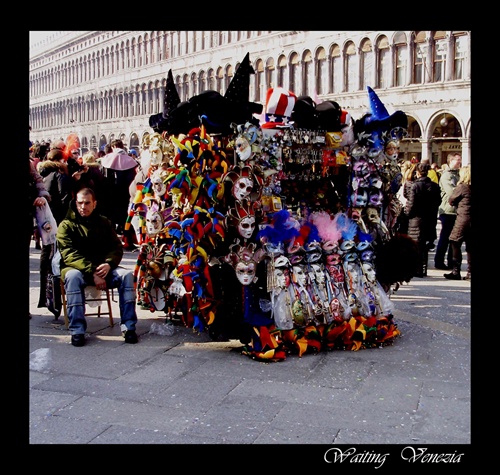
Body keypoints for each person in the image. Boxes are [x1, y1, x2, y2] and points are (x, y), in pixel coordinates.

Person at [56, 187, 139, 347]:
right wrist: (92, 271)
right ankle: (77, 330)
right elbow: (69, 254)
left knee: (127, 275)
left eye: (87, 203)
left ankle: (129, 327)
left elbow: (116, 247)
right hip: (78, 269)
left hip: (103, 268)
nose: (83, 206)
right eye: (80, 203)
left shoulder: (104, 222)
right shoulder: (66, 225)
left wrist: (108, 263)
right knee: (72, 277)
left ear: (94, 204)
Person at [37, 148, 74, 311]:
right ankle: (56, 300)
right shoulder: (59, 175)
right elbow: (65, 198)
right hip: (58, 222)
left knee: (47, 256)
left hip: (44, 221)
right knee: (57, 259)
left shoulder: (42, 174)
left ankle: (46, 297)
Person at [405, 162, 441, 277]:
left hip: (417, 218)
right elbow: (438, 202)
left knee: (416, 245)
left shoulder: (415, 186)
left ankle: (418, 269)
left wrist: (406, 213)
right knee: (424, 244)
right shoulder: (434, 186)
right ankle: (423, 268)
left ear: (418, 172)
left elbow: (411, 203)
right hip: (429, 218)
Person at [434, 152, 462, 270]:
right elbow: (452, 193)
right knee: (445, 237)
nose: (459, 162)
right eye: (457, 160)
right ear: (450, 161)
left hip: (456, 211)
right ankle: (439, 261)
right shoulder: (447, 176)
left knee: (454, 239)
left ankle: (451, 261)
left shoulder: (457, 175)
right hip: (448, 210)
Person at [444, 165, 471, 280]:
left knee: (455, 241)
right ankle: (470, 272)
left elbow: (451, 200)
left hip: (463, 218)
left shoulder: (462, 187)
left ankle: (456, 271)